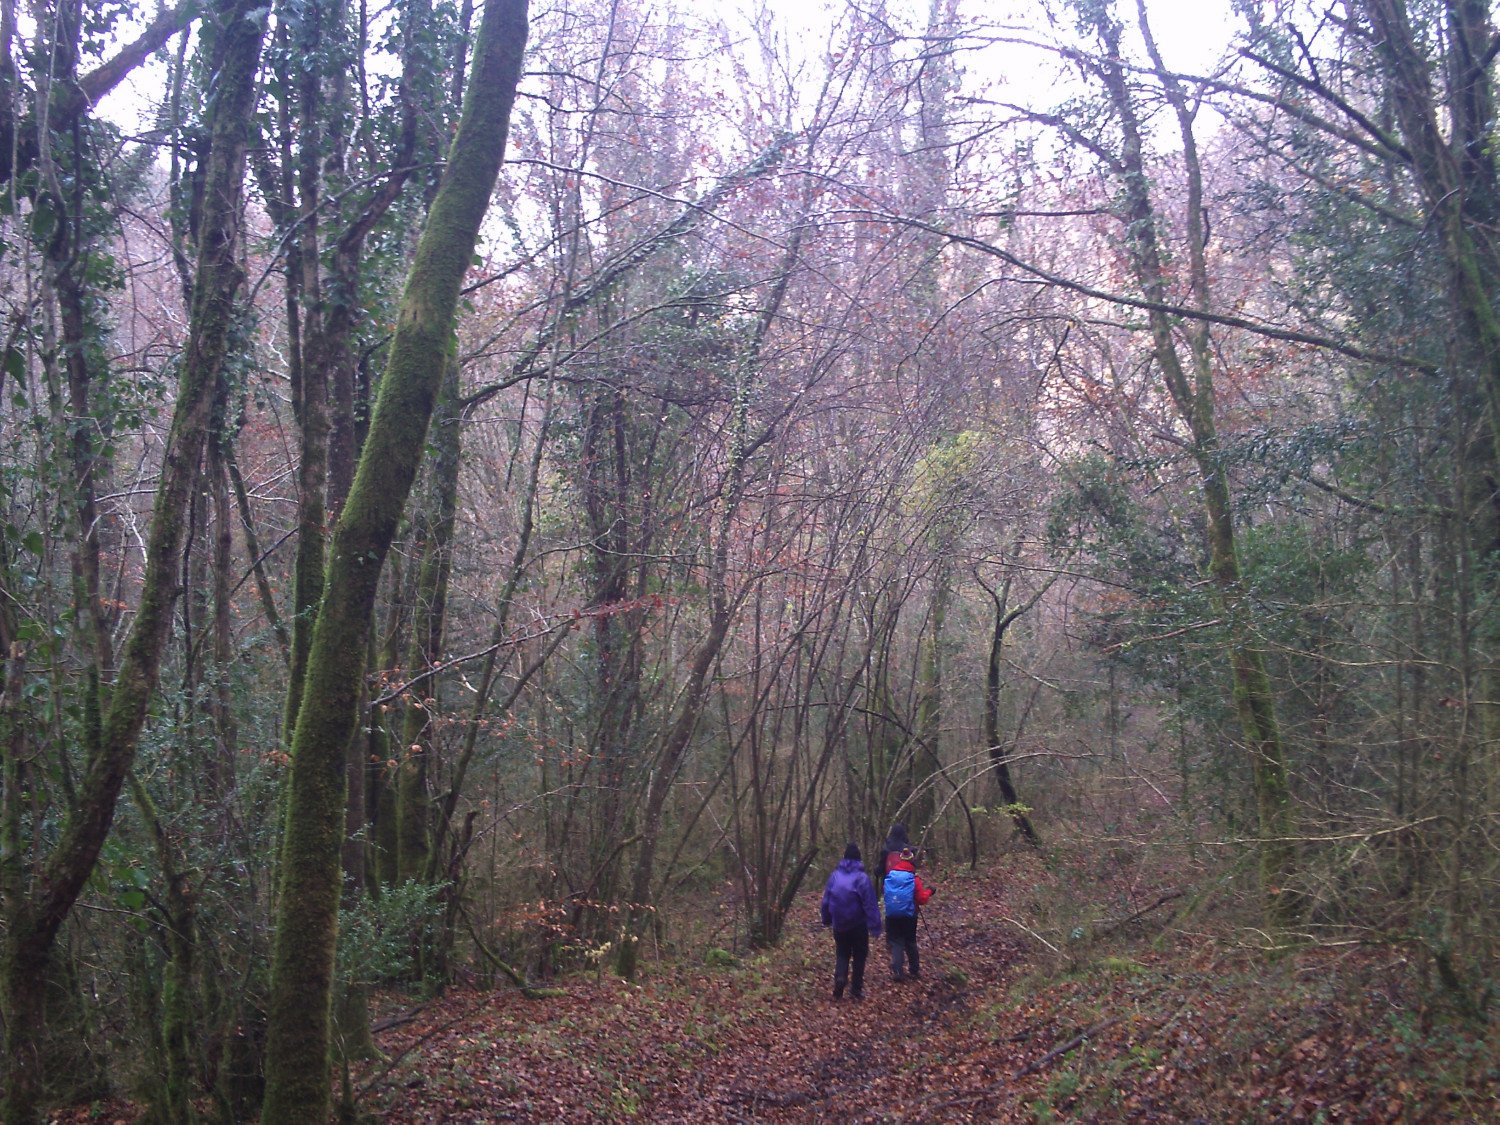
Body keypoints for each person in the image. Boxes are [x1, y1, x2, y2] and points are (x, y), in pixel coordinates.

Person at [820, 843, 882, 1001]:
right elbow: (870, 903)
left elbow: (826, 900)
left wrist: (826, 918)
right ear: (859, 859)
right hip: (857, 924)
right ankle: (855, 990)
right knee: (860, 955)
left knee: (842, 952)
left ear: (844, 858)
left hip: (839, 924)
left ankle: (840, 978)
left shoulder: (834, 876)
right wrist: (875, 926)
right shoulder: (862, 878)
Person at [879, 822, 933, 981]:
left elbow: (884, 891)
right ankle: (914, 969)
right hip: (910, 914)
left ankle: (897, 970)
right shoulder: (913, 878)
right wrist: (930, 891)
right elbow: (922, 898)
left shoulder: (889, 877)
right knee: (910, 941)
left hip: (892, 914)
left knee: (896, 942)